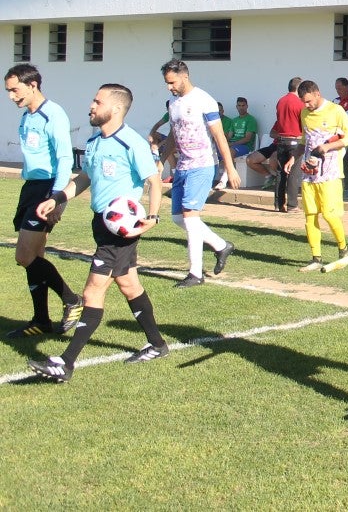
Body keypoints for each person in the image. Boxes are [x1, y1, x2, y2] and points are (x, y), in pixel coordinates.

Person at [27, 84, 168, 382]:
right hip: (100, 225)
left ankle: (65, 363)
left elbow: (154, 182)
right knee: (129, 285)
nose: (91, 105)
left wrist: (153, 216)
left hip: (121, 230)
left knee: (92, 291)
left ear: (115, 108)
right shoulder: (94, 141)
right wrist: (57, 198)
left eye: (97, 101)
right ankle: (157, 344)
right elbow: (85, 178)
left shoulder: (131, 142)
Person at [4, 64, 81, 338]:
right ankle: (41, 320)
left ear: (32, 85)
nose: (11, 96)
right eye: (8, 91)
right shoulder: (27, 116)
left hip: (47, 190)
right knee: (34, 257)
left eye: (15, 90)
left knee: (23, 256)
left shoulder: (53, 114)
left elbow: (65, 158)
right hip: (31, 188)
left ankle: (72, 300)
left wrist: (57, 198)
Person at [159, 59, 238, 288]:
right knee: (178, 218)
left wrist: (230, 167)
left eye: (172, 82)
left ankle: (195, 274)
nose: (169, 87)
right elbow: (173, 134)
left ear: (184, 76)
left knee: (190, 217)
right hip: (183, 166)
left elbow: (219, 136)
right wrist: (162, 160)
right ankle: (221, 246)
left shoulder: (204, 100)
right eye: (166, 83)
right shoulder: (173, 104)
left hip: (202, 165)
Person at [287, 80, 348, 272]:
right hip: (309, 173)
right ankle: (316, 258)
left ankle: (343, 248)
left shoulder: (336, 110)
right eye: (303, 102)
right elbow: (304, 140)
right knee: (310, 215)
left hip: (330, 173)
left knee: (329, 214)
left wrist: (328, 146)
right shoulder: (304, 113)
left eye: (308, 101)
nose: (306, 105)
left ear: (317, 94)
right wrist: (293, 158)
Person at [247, 77, 304, 213]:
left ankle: (278, 204)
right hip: (295, 141)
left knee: (280, 173)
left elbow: (279, 121)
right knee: (293, 174)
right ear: (299, 88)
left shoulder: (281, 101)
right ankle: (292, 205)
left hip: (281, 141)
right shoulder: (300, 103)